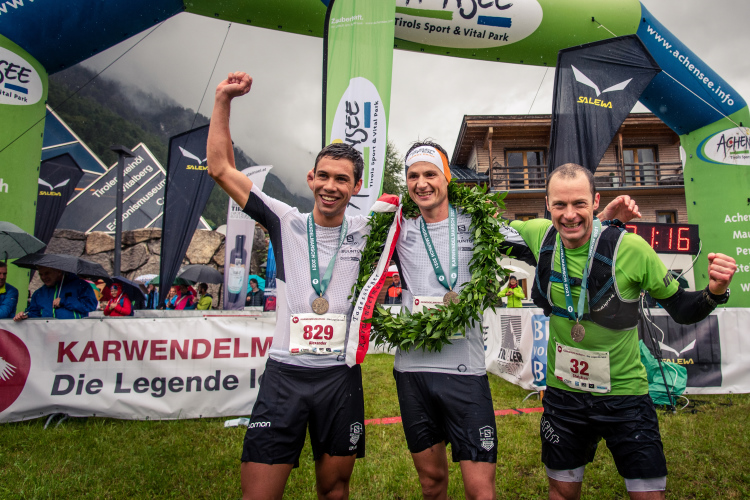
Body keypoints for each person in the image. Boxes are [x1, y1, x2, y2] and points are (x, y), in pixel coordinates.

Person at [389, 142, 640, 500]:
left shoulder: (479, 223)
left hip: (465, 370)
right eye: (413, 176)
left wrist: (602, 223)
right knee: (431, 484)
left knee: (481, 491)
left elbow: (554, 242)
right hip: (412, 370)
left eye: (430, 173)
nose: (422, 183)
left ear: (446, 178)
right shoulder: (396, 228)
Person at [503, 163, 737, 500]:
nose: (569, 214)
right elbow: (487, 230)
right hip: (563, 396)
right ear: (547, 204)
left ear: (596, 201)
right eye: (560, 205)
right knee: (562, 491)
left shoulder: (632, 249)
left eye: (579, 203)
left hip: (625, 397)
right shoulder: (539, 235)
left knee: (648, 495)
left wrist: (714, 291)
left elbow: (682, 309)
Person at [207, 71, 369, 500]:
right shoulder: (284, 220)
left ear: (356, 187)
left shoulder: (368, 229)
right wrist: (223, 99)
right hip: (285, 375)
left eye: (342, 180)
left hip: (339, 377)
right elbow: (220, 168)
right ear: (311, 177)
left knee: (334, 490)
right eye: (324, 176)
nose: (331, 187)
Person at [14, 266, 98, 321]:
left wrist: (65, 301)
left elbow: (90, 305)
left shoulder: (80, 285)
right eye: (41, 274)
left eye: (47, 273)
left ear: (58, 271)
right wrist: (26, 315)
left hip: (75, 333)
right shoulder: (38, 293)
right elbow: (35, 313)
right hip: (48, 335)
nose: (43, 277)